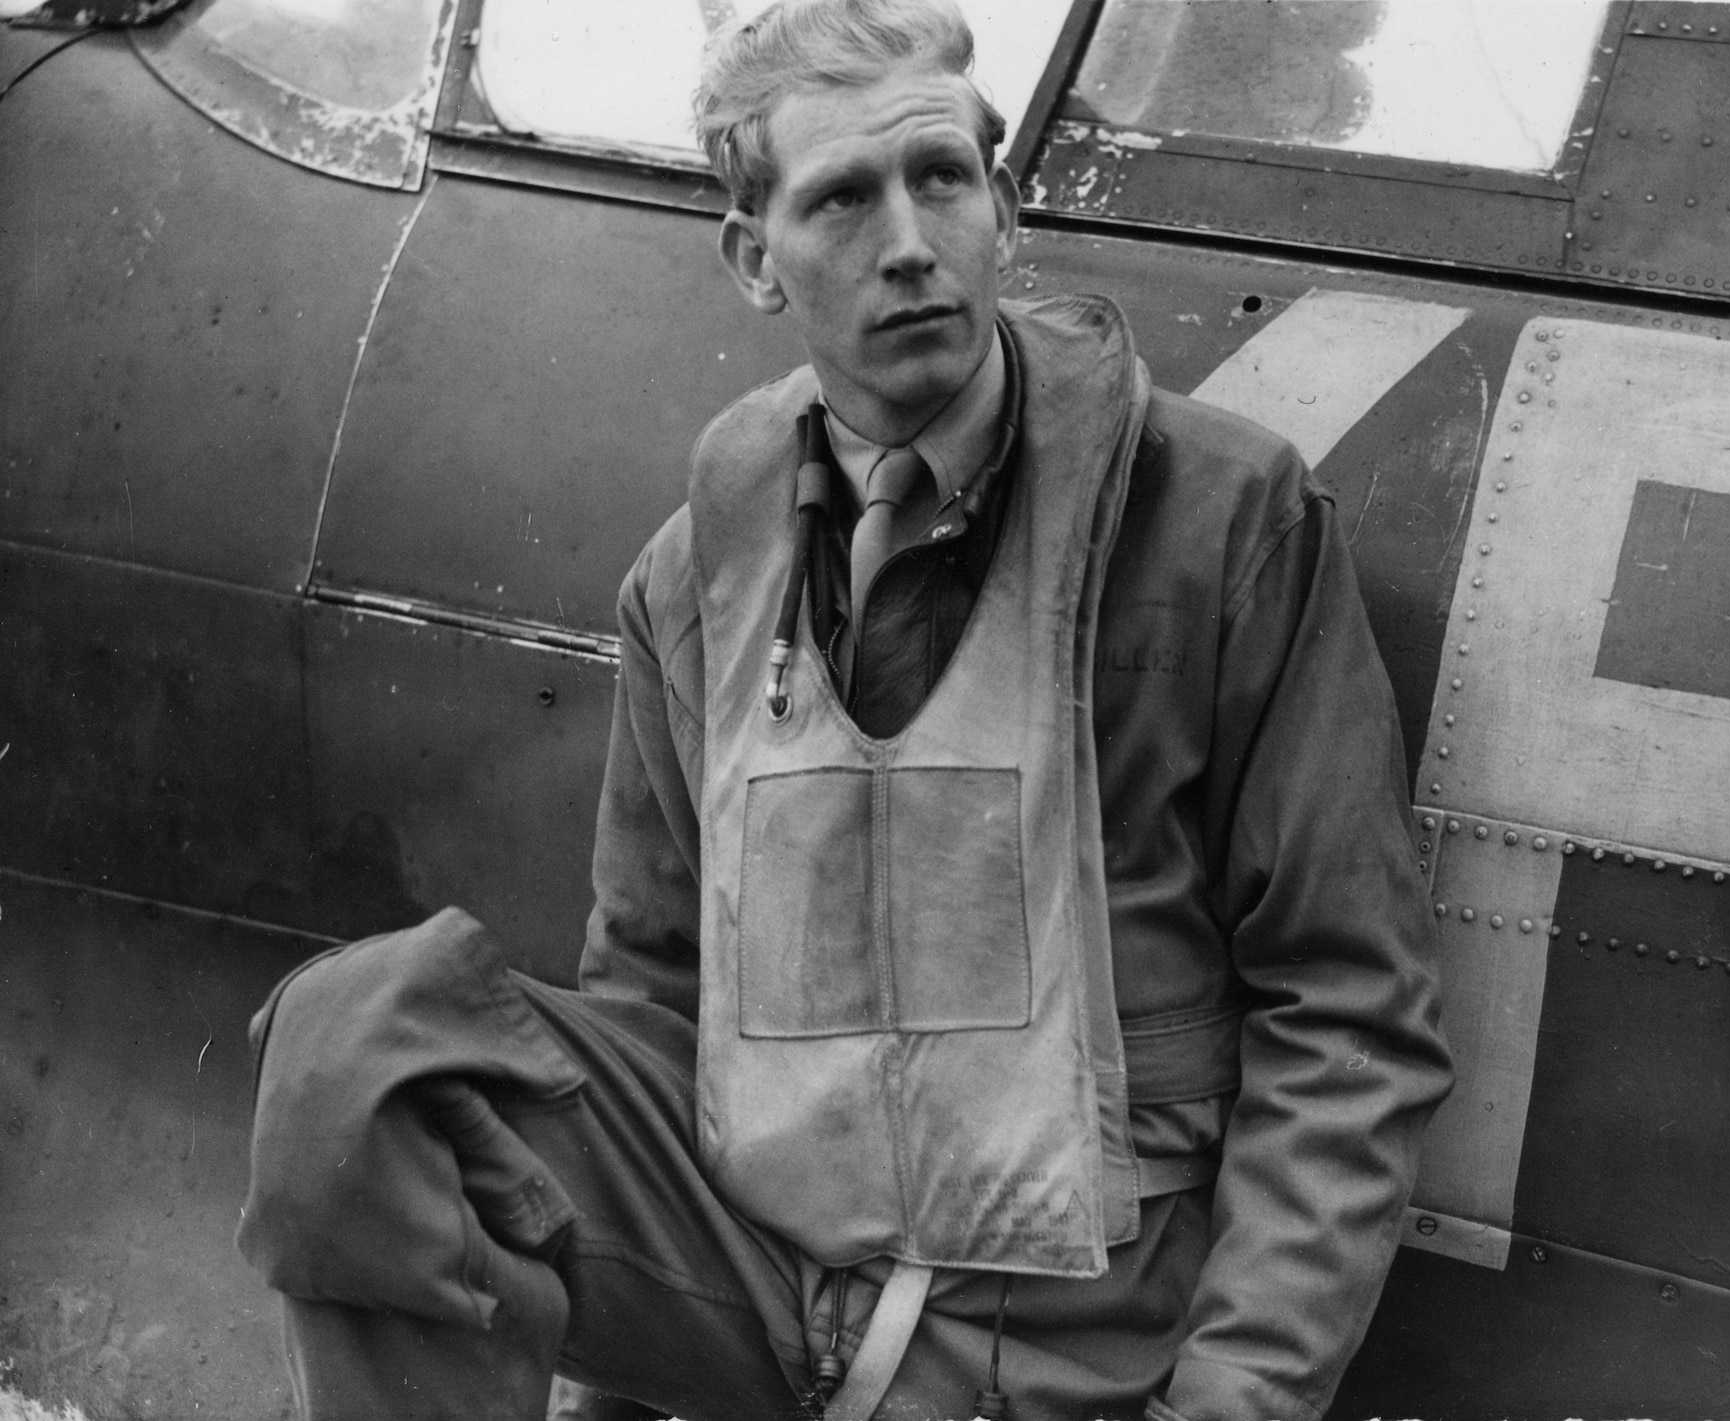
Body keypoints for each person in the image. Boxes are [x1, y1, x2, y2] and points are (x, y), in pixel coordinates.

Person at [235, 2, 1453, 1418]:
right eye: (841, 199)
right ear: (757, 259)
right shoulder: (693, 578)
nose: (910, 243)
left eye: (941, 176)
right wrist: (610, 1388)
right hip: (774, 1290)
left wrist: (1232, 1399)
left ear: (1002, 201)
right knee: (355, 1057)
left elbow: (1352, 1003)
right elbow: (657, 1003)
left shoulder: (1223, 518)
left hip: (1073, 1336)